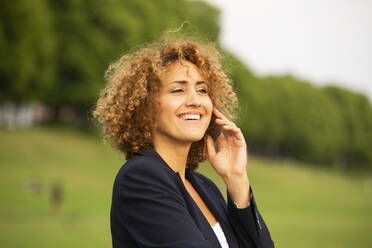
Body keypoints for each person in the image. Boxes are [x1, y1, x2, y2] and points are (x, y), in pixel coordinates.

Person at [93, 33, 274, 248]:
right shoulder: (140, 178)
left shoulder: (206, 188)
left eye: (202, 90)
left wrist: (237, 178)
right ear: (146, 106)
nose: (195, 100)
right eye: (178, 90)